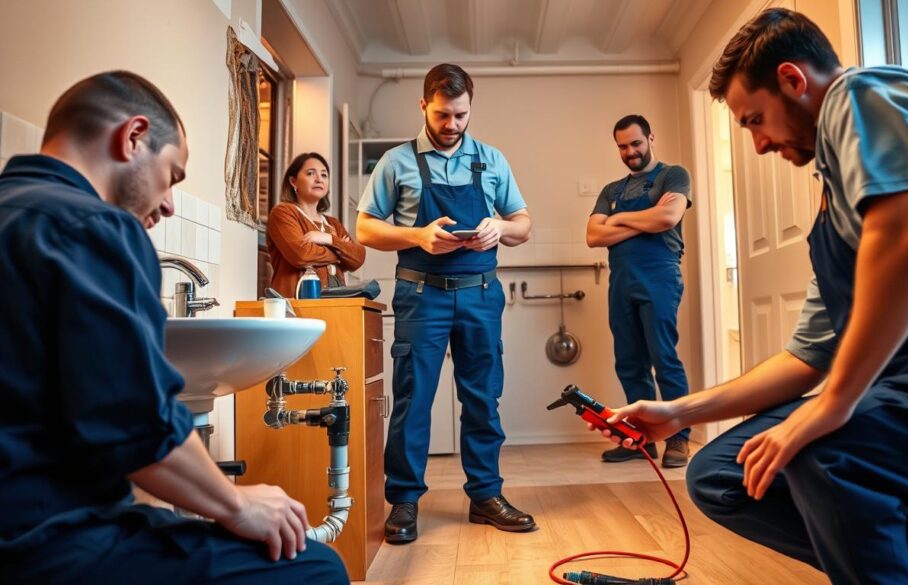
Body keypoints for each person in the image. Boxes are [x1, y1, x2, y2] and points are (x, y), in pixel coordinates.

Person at [595, 9, 908, 585]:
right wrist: (677, 413)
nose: (757, 144)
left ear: (794, 81)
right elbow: (806, 358)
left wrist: (832, 405)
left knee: (820, 455)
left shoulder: (867, 94)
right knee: (721, 472)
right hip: (902, 393)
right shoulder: (840, 212)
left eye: (754, 120)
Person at [0, 71, 349, 584]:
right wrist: (235, 503)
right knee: (316, 568)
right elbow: (135, 426)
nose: (167, 204)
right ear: (132, 136)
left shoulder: (16, 212)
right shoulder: (95, 227)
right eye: (173, 176)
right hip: (46, 539)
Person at [356, 63, 534, 544]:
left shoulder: (492, 159)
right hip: (421, 293)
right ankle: (405, 502)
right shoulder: (396, 161)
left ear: (470, 108)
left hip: (480, 294)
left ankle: (486, 496)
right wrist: (416, 235)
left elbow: (523, 223)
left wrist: (502, 228)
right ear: (423, 106)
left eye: (459, 115)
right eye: (442, 115)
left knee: (482, 397)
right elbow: (365, 228)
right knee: (413, 400)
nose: (451, 125)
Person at [586, 114, 692, 468]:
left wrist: (615, 219)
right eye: (623, 146)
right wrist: (643, 218)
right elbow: (593, 236)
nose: (630, 151)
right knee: (629, 362)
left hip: (659, 275)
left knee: (663, 357)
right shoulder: (610, 190)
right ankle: (640, 439)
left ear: (650, 138)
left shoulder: (673, 175)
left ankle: (678, 438)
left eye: (636, 143)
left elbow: (667, 219)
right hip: (621, 280)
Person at [267, 152, 365, 297]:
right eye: (311, 173)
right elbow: (301, 255)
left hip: (336, 305)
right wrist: (340, 253)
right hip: (296, 306)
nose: (319, 179)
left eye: (324, 175)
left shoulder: (332, 223)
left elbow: (358, 258)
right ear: (293, 181)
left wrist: (329, 239)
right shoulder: (283, 213)